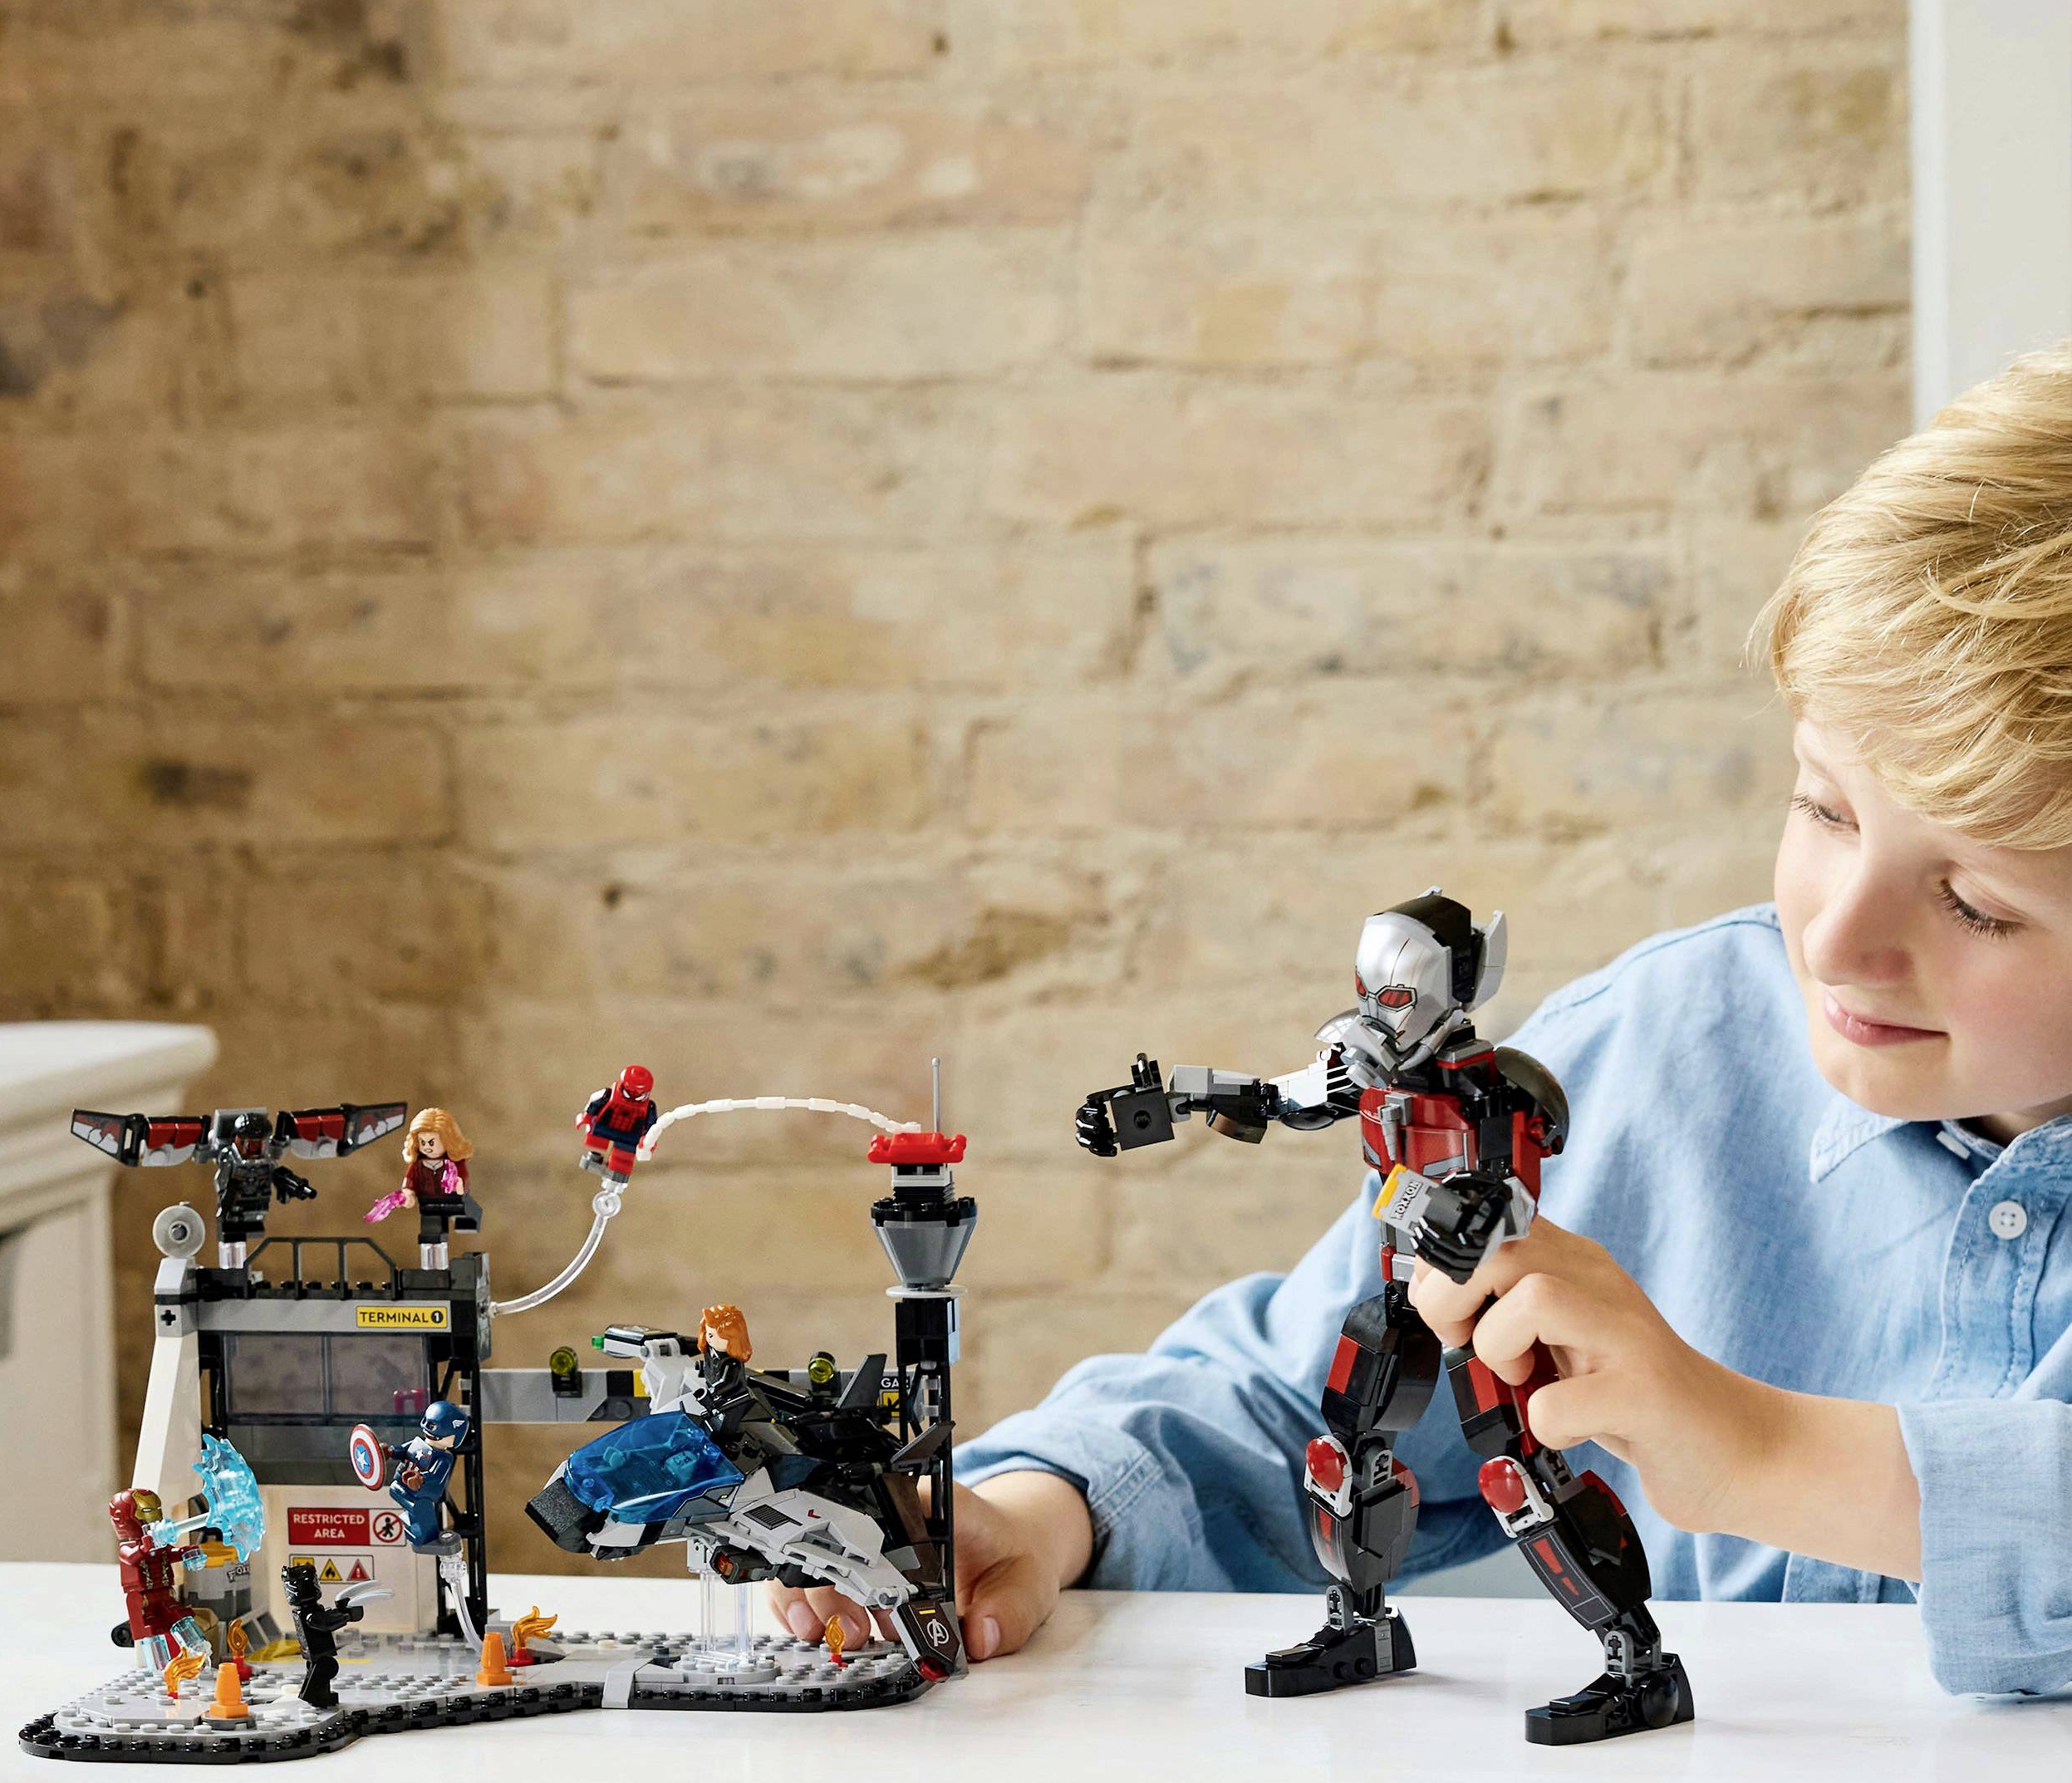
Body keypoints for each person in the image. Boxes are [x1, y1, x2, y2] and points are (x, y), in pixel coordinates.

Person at [771, 345, 2072, 1698]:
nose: (1834, 938)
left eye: (1977, 904)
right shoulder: (1667, 1046)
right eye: (1824, 809)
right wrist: (1047, 1509)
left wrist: (1757, 1450)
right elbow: (1289, 1397)